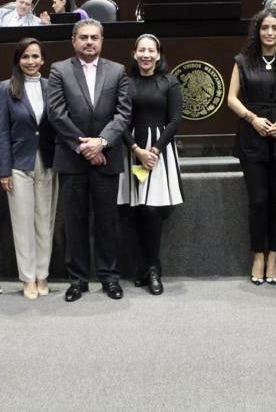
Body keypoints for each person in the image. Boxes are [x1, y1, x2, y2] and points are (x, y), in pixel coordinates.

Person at [47, 19, 132, 302]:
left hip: (106, 158)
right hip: (72, 160)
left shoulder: (118, 71)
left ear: (102, 40)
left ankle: (109, 277)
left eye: (94, 37)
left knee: (107, 222)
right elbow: (57, 114)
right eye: (83, 37)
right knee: (75, 222)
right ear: (73, 41)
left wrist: (101, 144)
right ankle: (78, 280)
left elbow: (123, 115)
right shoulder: (59, 70)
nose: (89, 42)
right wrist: (83, 147)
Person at [227, 10, 276, 285]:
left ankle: (273, 255)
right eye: (265, 28)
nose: (270, 33)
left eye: (275, 28)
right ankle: (257, 254)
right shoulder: (243, 61)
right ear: (257, 31)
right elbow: (231, 99)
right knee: (258, 201)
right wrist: (252, 118)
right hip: (252, 137)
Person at [118, 34, 183, 295]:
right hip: (133, 149)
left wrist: (153, 150)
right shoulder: (124, 83)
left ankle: (154, 269)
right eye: (141, 50)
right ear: (134, 53)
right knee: (139, 211)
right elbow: (119, 120)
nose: (146, 55)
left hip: (159, 153)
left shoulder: (170, 82)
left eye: (151, 50)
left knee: (153, 211)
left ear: (158, 54)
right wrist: (136, 149)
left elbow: (175, 119)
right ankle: (145, 267)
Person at [0, 38, 58, 300]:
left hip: (48, 161)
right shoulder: (5, 88)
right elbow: (1, 132)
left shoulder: (52, 85)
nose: (31, 62)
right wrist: (4, 170)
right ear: (18, 60)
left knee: (45, 220)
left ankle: (43, 274)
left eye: (35, 57)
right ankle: (28, 278)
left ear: (43, 60)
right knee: (23, 224)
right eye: (25, 57)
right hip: (18, 164)